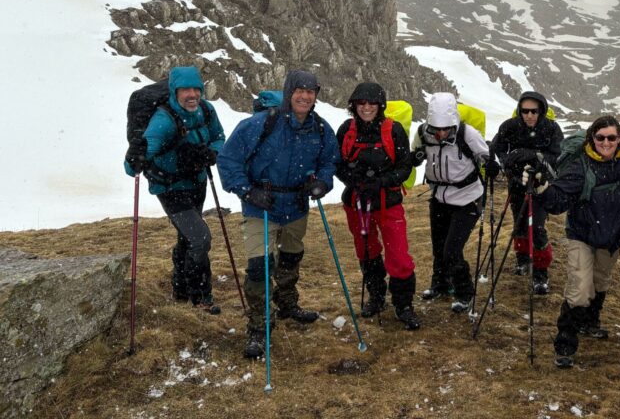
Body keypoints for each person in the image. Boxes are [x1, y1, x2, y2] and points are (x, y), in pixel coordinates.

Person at [218, 70, 339, 359]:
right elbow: (228, 159)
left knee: (291, 257)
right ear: (289, 92)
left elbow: (329, 162)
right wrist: (247, 191)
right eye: (299, 90)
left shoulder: (321, 129)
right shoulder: (260, 124)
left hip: (296, 205)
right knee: (259, 265)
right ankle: (259, 326)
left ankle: (286, 303)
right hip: (261, 205)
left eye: (310, 91)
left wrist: (322, 183)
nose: (305, 96)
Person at [527, 115, 620, 368]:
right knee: (579, 289)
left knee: (600, 281)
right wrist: (542, 189)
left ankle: (590, 322)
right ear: (591, 138)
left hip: (612, 238)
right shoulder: (580, 166)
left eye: (611, 137)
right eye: (600, 137)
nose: (606, 143)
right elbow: (558, 200)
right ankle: (565, 342)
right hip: (582, 236)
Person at [335, 82, 421, 330]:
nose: (366, 107)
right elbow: (336, 163)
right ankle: (376, 296)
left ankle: (403, 305)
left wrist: (381, 182)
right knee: (366, 251)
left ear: (380, 105)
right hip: (356, 203)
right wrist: (352, 178)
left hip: (388, 203)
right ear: (353, 105)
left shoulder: (393, 130)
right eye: (361, 103)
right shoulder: (346, 130)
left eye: (372, 103)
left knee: (399, 256)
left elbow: (404, 166)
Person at [140, 65, 225, 313]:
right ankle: (200, 297)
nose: (192, 94)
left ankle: (180, 289)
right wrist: (137, 157)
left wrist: (213, 152)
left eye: (196, 89)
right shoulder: (163, 120)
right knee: (200, 239)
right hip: (170, 189)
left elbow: (219, 136)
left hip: (197, 183)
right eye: (185, 89)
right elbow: (138, 158)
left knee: (187, 238)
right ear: (174, 91)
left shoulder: (207, 110)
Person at [415, 92, 490, 313]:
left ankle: (464, 292)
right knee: (439, 246)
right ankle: (440, 284)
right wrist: (414, 158)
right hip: (439, 197)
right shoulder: (423, 133)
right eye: (435, 129)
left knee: (452, 250)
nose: (440, 134)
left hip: (468, 198)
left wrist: (491, 164)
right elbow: (415, 153)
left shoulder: (467, 134)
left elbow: (486, 155)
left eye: (445, 129)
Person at [490, 91, 563, 294]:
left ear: (542, 111)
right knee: (520, 223)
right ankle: (522, 260)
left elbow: (558, 156)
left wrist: (533, 157)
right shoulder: (509, 126)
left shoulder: (551, 128)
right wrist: (508, 162)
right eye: (525, 111)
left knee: (537, 227)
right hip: (516, 183)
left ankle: (540, 273)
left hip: (540, 185)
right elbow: (497, 148)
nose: (529, 115)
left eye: (534, 111)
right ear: (519, 110)